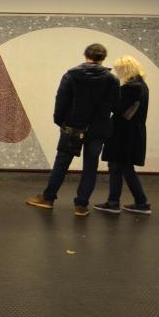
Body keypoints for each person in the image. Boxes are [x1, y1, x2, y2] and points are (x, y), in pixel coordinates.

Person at [26, 43, 119, 217]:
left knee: (62, 163)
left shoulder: (71, 75)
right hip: (98, 129)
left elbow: (61, 100)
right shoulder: (112, 80)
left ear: (86, 55)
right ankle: (81, 206)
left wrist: (60, 121)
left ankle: (48, 198)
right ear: (103, 58)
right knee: (90, 166)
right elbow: (115, 105)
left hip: (73, 127)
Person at [94, 55, 151, 215]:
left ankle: (130, 202)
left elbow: (118, 109)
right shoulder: (142, 86)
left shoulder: (131, 88)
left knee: (120, 167)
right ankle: (127, 201)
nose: (117, 73)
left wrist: (107, 94)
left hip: (123, 134)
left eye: (119, 69)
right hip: (131, 133)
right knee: (121, 167)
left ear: (125, 69)